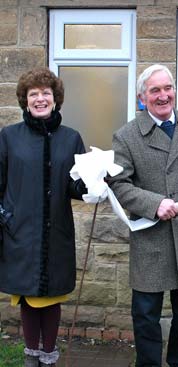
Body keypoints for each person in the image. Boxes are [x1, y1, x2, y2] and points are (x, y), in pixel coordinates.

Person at [109, 64, 178, 367]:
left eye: (167, 88)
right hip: (151, 234)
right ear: (142, 97)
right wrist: (154, 203)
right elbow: (119, 183)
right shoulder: (126, 136)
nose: (163, 95)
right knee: (145, 315)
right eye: (154, 90)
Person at [0, 67, 87, 367]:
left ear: (55, 99)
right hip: (20, 231)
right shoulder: (9, 137)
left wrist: (95, 183)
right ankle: (30, 356)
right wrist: (5, 217)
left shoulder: (71, 138)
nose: (40, 99)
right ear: (24, 100)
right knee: (27, 296)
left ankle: (48, 356)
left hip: (56, 231)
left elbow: (76, 186)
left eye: (46, 93)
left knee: (51, 297)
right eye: (33, 94)